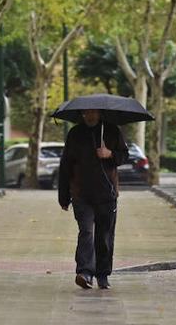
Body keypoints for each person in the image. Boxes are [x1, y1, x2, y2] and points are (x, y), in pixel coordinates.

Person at [56, 109, 130, 290]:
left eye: (92, 113)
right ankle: (85, 272)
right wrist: (63, 196)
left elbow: (125, 156)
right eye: (86, 113)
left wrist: (110, 154)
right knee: (86, 232)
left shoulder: (112, 131)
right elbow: (65, 165)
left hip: (107, 195)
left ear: (99, 113)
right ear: (82, 114)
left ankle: (103, 275)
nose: (89, 116)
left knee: (104, 236)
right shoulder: (75, 134)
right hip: (81, 194)